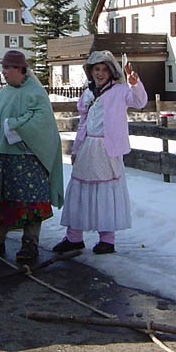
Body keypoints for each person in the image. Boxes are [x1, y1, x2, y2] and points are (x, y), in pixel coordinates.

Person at [53, 51, 147, 255]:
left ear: (111, 71)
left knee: (106, 192)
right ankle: (74, 237)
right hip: (87, 147)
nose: (100, 73)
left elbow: (139, 102)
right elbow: (83, 124)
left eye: (105, 69)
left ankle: (107, 239)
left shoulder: (120, 91)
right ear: (90, 71)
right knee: (79, 191)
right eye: (97, 69)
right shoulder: (87, 94)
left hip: (108, 149)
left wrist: (135, 84)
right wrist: (76, 148)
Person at [0, 50, 64, 262]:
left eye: (8, 68)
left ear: (20, 69)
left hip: (28, 158)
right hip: (4, 157)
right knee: (1, 199)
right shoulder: (3, 93)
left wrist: (10, 126)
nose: (4, 72)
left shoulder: (36, 93)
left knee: (31, 202)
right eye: (3, 68)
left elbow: (41, 121)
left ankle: (30, 243)